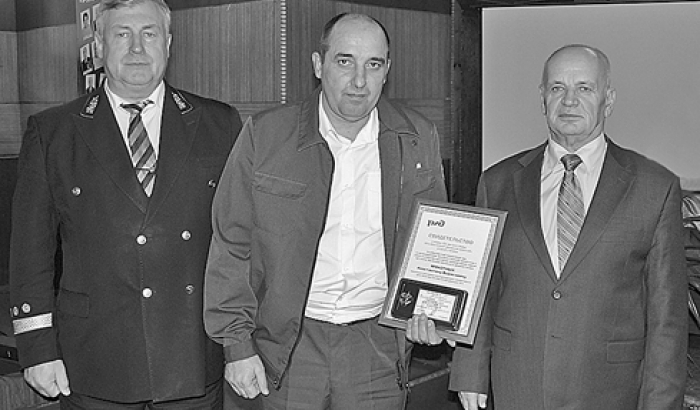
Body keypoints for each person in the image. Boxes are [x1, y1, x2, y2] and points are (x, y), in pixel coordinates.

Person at [408, 44, 687, 409]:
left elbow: (667, 319)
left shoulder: (655, 187)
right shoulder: (498, 182)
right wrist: (470, 372)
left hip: (611, 391)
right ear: (542, 99)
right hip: (517, 384)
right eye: (557, 88)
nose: (569, 100)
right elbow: (486, 290)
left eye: (584, 88)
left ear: (608, 99)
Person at [204, 12, 447, 410]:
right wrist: (236, 345)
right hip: (288, 347)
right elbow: (231, 244)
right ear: (319, 65)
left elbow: (434, 242)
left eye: (373, 64)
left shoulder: (417, 137)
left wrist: (434, 311)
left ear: (387, 70)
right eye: (344, 61)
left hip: (377, 349)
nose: (359, 80)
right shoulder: (266, 136)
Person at [9, 0, 242, 408]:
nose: (137, 48)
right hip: (96, 360)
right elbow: (30, 254)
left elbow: (240, 243)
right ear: (99, 45)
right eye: (122, 34)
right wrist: (37, 348)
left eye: (149, 34)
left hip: (191, 357)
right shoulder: (53, 133)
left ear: (168, 43)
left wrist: (241, 344)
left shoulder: (219, 124)